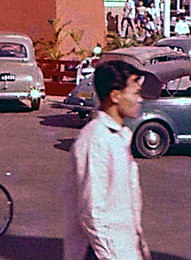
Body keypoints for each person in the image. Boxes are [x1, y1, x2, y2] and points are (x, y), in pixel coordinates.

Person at [63, 60, 151, 260]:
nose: (140, 100)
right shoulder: (95, 139)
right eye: (135, 93)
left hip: (123, 250)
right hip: (99, 253)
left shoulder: (118, 138)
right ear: (115, 96)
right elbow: (91, 211)